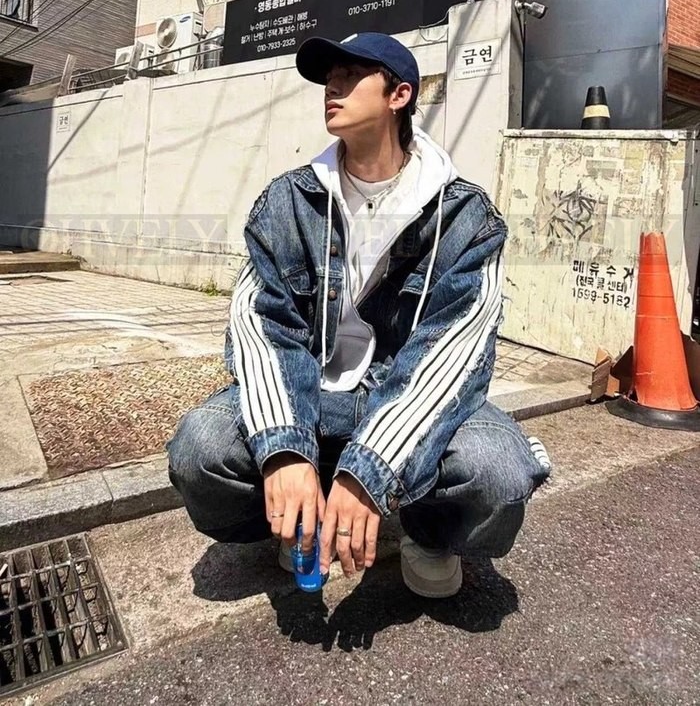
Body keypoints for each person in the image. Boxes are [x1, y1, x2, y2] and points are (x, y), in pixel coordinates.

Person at [167, 32, 551, 599]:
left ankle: (428, 533)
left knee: (497, 470)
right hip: (310, 391)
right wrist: (285, 449)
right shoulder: (289, 201)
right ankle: (301, 515)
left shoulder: (466, 217)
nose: (333, 87)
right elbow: (261, 325)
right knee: (200, 449)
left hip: (405, 392)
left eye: (351, 75)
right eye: (329, 77)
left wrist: (370, 469)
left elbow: (455, 351)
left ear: (399, 95)